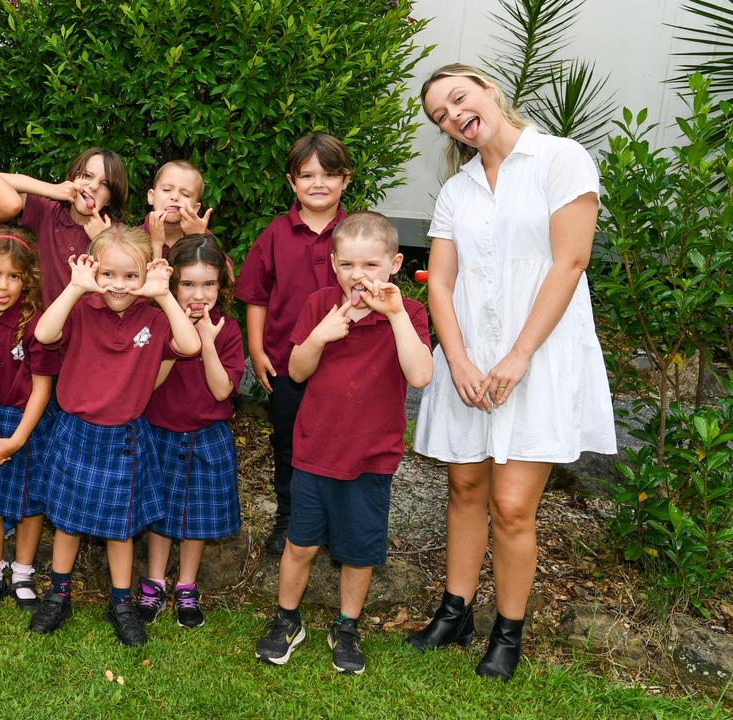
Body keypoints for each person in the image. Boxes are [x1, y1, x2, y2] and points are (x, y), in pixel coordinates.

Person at [407, 64, 616, 682]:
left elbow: (570, 261)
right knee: (465, 489)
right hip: (469, 358)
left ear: (488, 88)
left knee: (513, 505)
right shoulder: (457, 190)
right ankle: (455, 611)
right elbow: (440, 284)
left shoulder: (560, 159)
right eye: (441, 116)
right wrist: (461, 361)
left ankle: (508, 631)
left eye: (458, 99)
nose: (454, 116)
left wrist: (519, 355)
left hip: (539, 355)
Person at [255, 212, 432, 674]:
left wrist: (394, 316)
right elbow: (295, 371)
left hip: (371, 456)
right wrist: (319, 335)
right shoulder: (319, 306)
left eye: (371, 265)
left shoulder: (409, 313)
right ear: (333, 264)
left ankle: (347, 625)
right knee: (300, 544)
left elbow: (420, 375)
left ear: (394, 264)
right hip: (315, 450)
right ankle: (287, 619)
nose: (359, 276)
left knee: (358, 551)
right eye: (348, 265)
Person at [28, 226, 201, 647]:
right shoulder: (82, 307)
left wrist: (163, 294)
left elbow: (190, 344)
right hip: (76, 430)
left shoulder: (156, 318)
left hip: (124, 435)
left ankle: (121, 603)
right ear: (93, 271)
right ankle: (59, 594)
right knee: (66, 523)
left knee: (120, 529)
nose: (118, 286)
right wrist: (74, 287)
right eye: (108, 274)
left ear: (147, 275)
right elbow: (43, 335)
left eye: (130, 276)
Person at [233, 133, 353, 555]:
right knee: (288, 441)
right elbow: (255, 295)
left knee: (342, 442)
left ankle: (339, 524)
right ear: (291, 182)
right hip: (287, 363)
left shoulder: (356, 234)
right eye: (307, 175)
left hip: (345, 366)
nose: (318, 183)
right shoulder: (275, 234)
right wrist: (257, 349)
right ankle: (289, 518)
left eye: (329, 174)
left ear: (346, 179)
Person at [137, 235, 243, 629]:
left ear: (221, 287)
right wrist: (181, 342)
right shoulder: (157, 323)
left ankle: (186, 586)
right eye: (188, 284)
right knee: (160, 514)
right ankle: (153, 583)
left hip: (207, 434)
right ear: (172, 285)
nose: (199, 295)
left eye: (209, 285)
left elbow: (221, 391)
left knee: (196, 520)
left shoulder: (228, 330)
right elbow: (149, 384)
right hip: (160, 430)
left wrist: (207, 344)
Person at [0, 228, 61, 613]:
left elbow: (42, 389)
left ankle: (22, 573)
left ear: (28, 279)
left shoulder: (38, 324)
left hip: (29, 422)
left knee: (30, 504)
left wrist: (19, 439)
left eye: (14, 276)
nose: (3, 286)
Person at [1, 148, 129, 305]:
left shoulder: (118, 233)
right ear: (73, 179)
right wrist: (52, 189)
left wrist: (104, 241)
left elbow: (126, 285)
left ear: (110, 199)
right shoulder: (47, 212)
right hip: (41, 324)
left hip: (89, 326)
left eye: (105, 184)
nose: (94, 186)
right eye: (88, 176)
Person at [142, 160, 214, 259]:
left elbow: (225, 272)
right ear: (151, 197)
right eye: (167, 189)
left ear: (195, 208)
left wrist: (199, 237)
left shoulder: (201, 233)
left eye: (185, 194)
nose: (175, 197)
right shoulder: (133, 238)